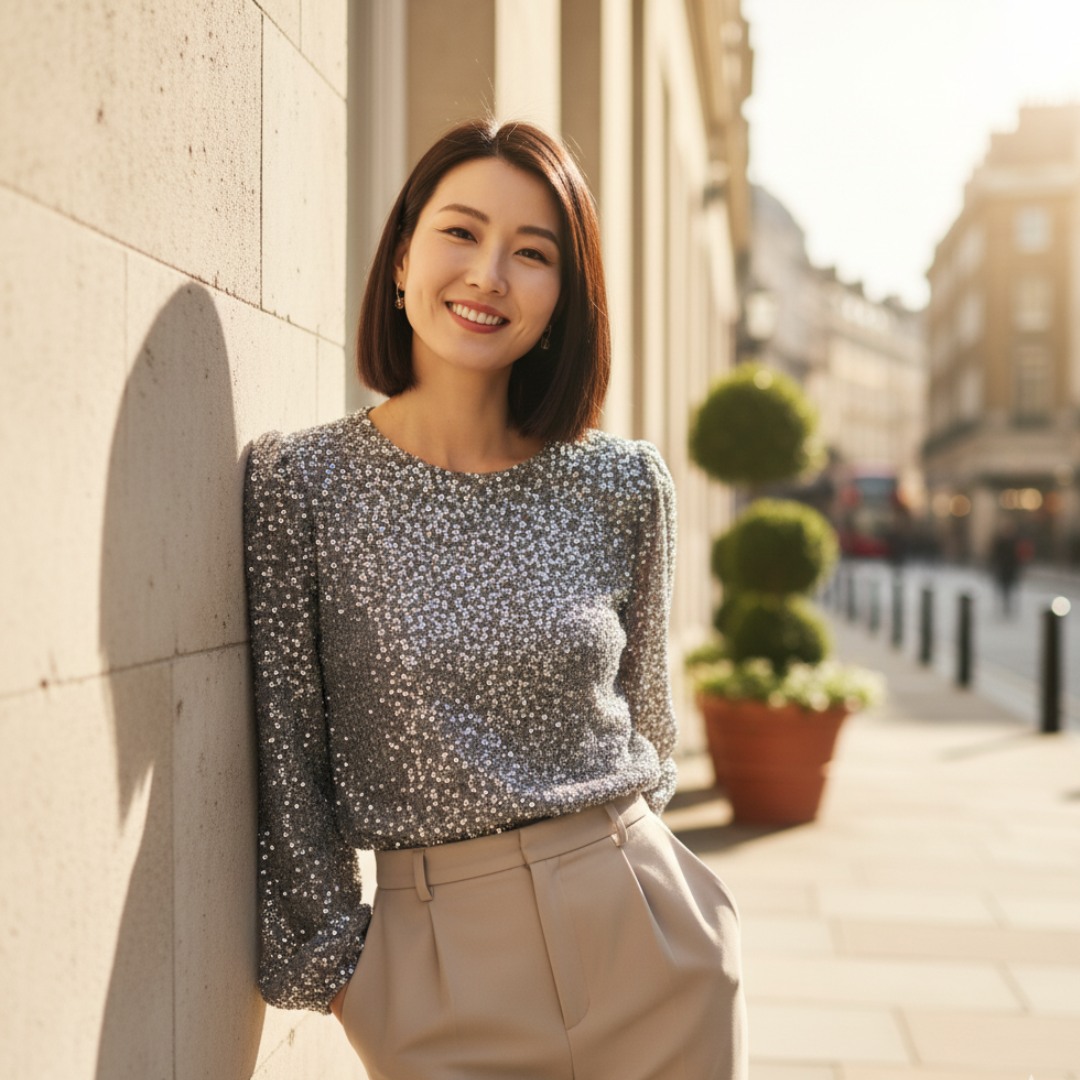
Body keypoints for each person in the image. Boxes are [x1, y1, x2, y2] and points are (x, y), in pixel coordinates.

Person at [243, 118, 746, 1080]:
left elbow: (649, 728)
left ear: (563, 298)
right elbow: (288, 754)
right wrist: (351, 973)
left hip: (644, 938)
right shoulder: (301, 484)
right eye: (461, 233)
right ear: (400, 258)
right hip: (433, 976)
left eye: (532, 253)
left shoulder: (625, 484)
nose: (489, 276)